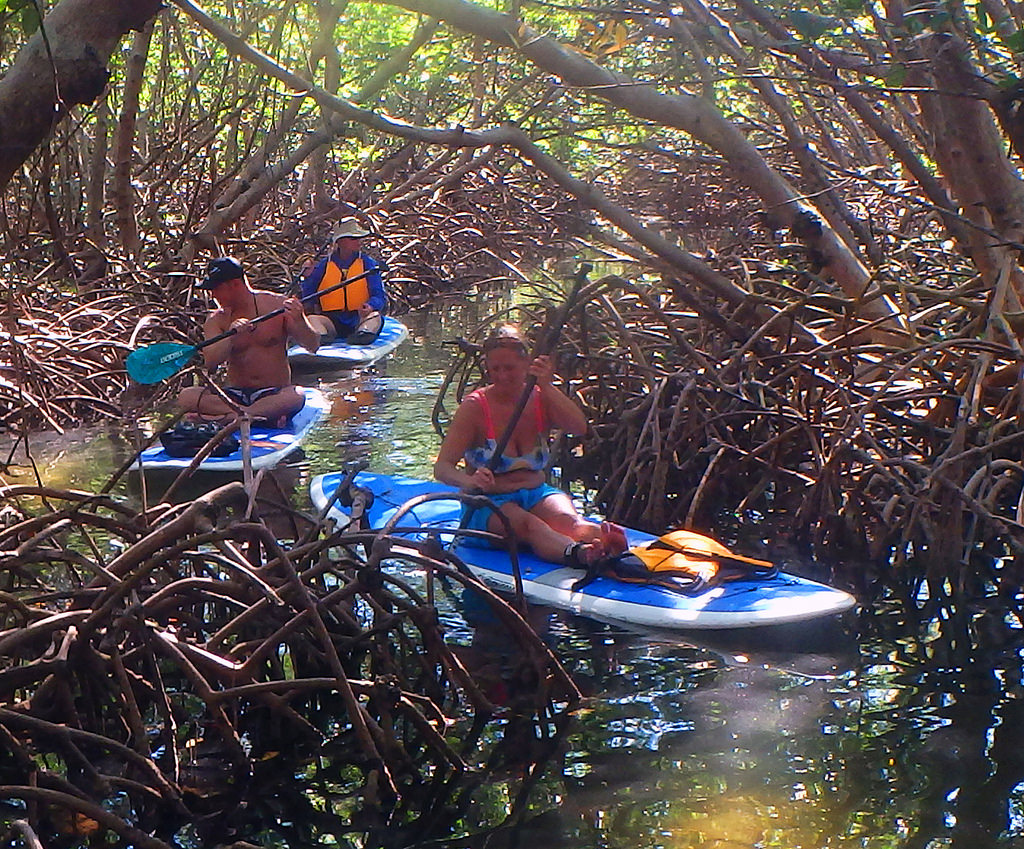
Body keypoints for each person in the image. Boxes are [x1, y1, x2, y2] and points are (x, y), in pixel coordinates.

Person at [434, 324, 627, 566]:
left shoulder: (538, 397)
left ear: (528, 365)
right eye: (495, 369)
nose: (502, 376)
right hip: (488, 504)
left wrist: (546, 386)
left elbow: (580, 427)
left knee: (570, 522)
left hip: (536, 493)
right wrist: (469, 481)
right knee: (531, 526)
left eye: (510, 368)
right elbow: (442, 467)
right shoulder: (475, 407)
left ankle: (611, 543)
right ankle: (579, 555)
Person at [177, 257, 321, 426]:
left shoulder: (277, 305)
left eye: (216, 289)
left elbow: (313, 346)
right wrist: (231, 336)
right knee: (186, 397)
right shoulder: (216, 319)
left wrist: (300, 319)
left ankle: (233, 418)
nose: (212, 295)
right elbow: (211, 362)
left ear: (235, 284)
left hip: (273, 393)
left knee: (296, 395)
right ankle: (252, 417)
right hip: (234, 396)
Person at [299, 217, 386, 345]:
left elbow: (379, 295)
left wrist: (370, 305)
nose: (359, 241)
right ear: (340, 242)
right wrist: (308, 277)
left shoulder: (368, 264)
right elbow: (309, 297)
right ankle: (322, 338)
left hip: (358, 318)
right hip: (332, 321)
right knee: (312, 319)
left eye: (359, 238)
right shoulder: (323, 266)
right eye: (353, 238)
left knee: (374, 317)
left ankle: (362, 335)